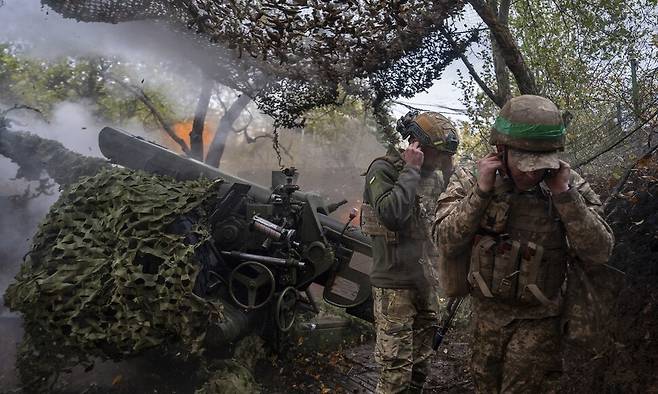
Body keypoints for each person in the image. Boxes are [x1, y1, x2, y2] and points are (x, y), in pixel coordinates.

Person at [432, 95, 615, 393]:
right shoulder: (471, 179)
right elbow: (445, 241)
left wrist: (565, 196)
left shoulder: (568, 184)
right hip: (486, 317)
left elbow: (600, 251)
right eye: (523, 164)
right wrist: (480, 193)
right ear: (500, 150)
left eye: (540, 165)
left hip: (540, 318)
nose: (531, 173)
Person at [361, 110, 460, 393]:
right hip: (394, 284)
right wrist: (411, 169)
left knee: (420, 366)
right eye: (437, 153)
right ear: (416, 144)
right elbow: (392, 214)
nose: (441, 161)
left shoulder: (435, 176)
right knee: (395, 371)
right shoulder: (384, 170)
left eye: (445, 156)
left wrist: (449, 170)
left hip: (425, 282)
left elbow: (448, 217)